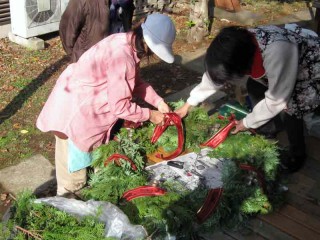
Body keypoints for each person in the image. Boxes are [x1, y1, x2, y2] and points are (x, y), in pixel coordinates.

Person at [37, 13, 176, 196]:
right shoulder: (123, 56)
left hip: (87, 106)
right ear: (149, 45)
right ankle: (67, 206)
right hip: (75, 113)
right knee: (74, 180)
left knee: (92, 163)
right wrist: (150, 115)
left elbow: (135, 83)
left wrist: (158, 102)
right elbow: (119, 106)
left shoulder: (125, 41)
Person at [175, 25, 320, 173]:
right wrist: (188, 104)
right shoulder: (234, 46)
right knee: (254, 86)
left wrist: (247, 122)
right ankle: (268, 129)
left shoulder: (277, 51)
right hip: (281, 62)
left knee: (293, 108)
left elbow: (276, 100)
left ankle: (297, 154)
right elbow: (215, 76)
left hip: (308, 66)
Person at [59, 0, 135, 63]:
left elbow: (126, 26)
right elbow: (66, 28)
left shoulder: (126, 2)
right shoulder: (83, 2)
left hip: (117, 58)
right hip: (88, 62)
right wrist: (76, 55)